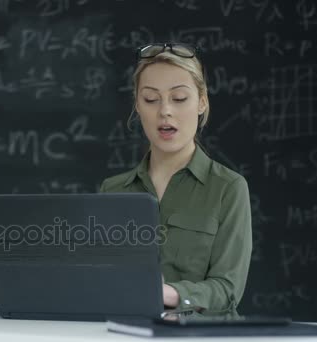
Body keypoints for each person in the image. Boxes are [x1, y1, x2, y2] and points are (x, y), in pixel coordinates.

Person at [99, 43, 252, 316]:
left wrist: (169, 293)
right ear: (137, 104)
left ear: (202, 102)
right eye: (150, 99)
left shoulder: (228, 188)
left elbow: (228, 290)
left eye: (179, 98)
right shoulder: (112, 190)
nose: (165, 111)